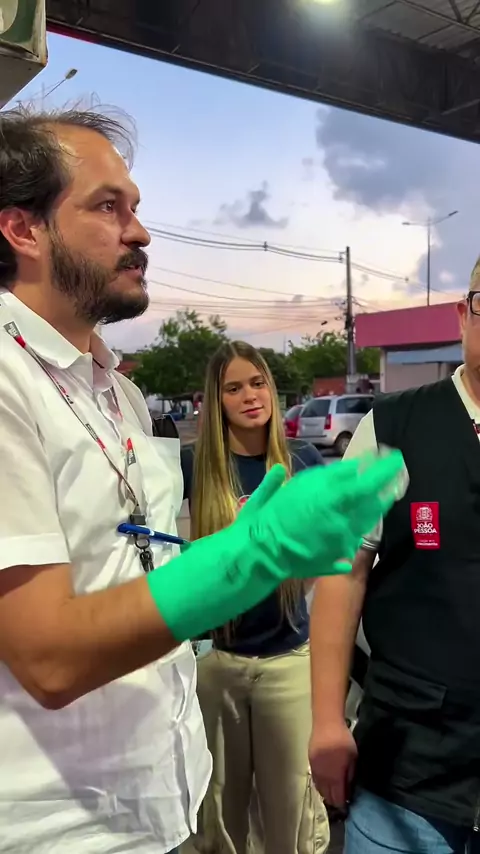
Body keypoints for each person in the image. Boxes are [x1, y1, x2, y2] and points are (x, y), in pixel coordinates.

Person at [0, 105, 404, 854]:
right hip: (58, 830)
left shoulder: (117, 391)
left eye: (135, 207)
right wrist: (246, 558)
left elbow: (127, 568)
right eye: (108, 207)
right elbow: (48, 657)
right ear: (23, 229)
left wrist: (235, 548)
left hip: (155, 807)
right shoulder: (4, 377)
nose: (141, 233)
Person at [309, 262, 480, 853]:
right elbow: (342, 573)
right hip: (407, 770)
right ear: (463, 316)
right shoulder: (393, 427)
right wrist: (327, 721)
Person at [181, 341, 330, 854]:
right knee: (219, 814)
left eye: (258, 383)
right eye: (234, 388)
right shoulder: (193, 465)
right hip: (215, 662)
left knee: (290, 813)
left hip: (288, 659)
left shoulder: (303, 460)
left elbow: (324, 554)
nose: (249, 396)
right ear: (216, 399)